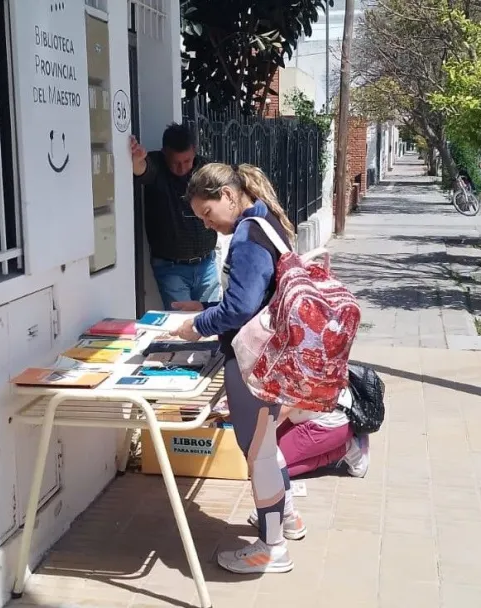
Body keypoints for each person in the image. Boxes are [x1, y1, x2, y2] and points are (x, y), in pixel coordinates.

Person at [169, 162, 299, 575]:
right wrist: (207, 307)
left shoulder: (247, 236)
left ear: (227, 196)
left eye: (207, 214)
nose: (208, 225)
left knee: (258, 453)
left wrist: (198, 325)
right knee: (267, 445)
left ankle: (272, 547)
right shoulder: (265, 221)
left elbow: (242, 308)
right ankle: (288, 517)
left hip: (255, 361)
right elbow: (255, 297)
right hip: (273, 355)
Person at [130, 125, 221, 310]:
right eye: (175, 162)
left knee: (211, 321)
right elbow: (142, 169)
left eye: (187, 161)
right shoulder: (157, 166)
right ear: (165, 154)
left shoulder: (205, 170)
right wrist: (137, 160)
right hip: (171, 268)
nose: (181, 168)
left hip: (207, 264)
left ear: (194, 151)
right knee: (181, 324)